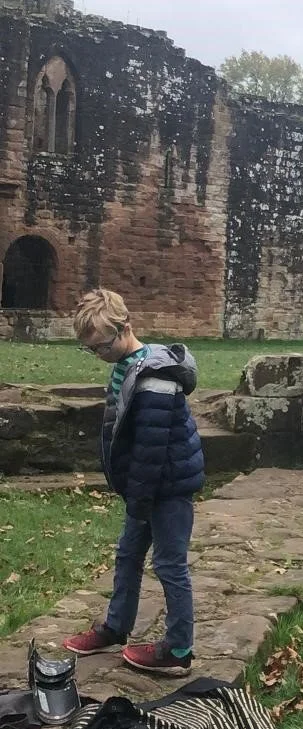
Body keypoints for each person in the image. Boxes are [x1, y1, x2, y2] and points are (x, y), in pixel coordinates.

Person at [62, 288, 205, 675]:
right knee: (127, 555)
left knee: (170, 564)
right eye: (89, 350)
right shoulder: (127, 364)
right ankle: (116, 626)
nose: (98, 356)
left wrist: (139, 497)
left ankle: (178, 651)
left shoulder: (155, 376)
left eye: (100, 347)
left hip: (167, 486)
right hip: (142, 486)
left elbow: (151, 449)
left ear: (125, 328)